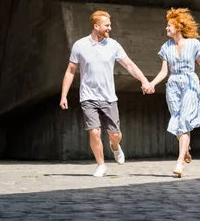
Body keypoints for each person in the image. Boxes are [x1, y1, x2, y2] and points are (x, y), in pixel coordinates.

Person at [59, 10, 154, 177]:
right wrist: (63, 95)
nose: (110, 28)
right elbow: (70, 71)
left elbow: (129, 65)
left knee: (115, 134)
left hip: (109, 97)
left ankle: (115, 146)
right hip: (88, 97)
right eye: (107, 25)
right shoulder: (79, 45)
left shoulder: (114, 45)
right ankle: (101, 164)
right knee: (94, 131)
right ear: (96, 26)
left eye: (110, 25)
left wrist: (144, 81)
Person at [149, 8, 200, 177]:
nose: (167, 28)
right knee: (177, 121)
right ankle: (186, 150)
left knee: (184, 120)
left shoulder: (194, 44)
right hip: (173, 85)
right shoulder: (165, 47)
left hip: (190, 83)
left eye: (169, 26)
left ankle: (180, 162)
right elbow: (163, 72)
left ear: (179, 27)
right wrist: (151, 84)